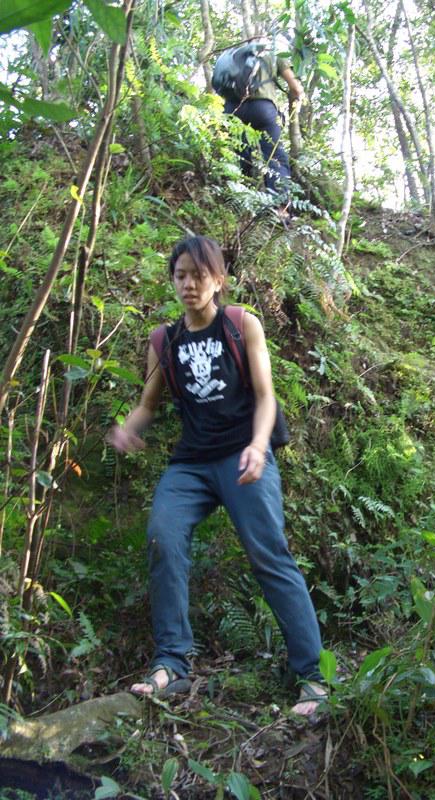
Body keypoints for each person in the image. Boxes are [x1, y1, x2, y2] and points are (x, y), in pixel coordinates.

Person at [108, 234, 326, 715]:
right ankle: (171, 664)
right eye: (180, 275)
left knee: (269, 554)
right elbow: (148, 404)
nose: (189, 284)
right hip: (191, 462)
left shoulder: (241, 324)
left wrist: (258, 446)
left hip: (244, 455)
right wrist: (127, 429)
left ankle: (314, 676)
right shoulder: (163, 341)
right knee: (163, 536)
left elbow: (266, 396)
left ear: (218, 280)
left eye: (199, 275)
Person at [215, 39, 304, 219]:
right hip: (262, 109)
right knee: (275, 158)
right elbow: (295, 88)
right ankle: (281, 209)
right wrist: (297, 100)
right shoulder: (275, 54)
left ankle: (239, 206)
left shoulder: (234, 56)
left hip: (233, 109)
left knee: (240, 156)